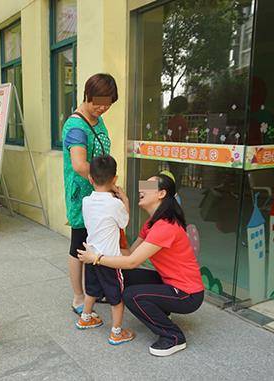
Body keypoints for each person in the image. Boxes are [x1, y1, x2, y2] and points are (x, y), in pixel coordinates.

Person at [77, 174, 204, 357]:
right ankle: (161, 309)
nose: (141, 189)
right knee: (121, 276)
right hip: (169, 282)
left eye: (148, 186)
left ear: (161, 193)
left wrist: (96, 258)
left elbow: (132, 262)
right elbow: (128, 253)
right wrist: (102, 240)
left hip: (187, 294)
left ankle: (173, 337)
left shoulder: (165, 226)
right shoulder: (151, 224)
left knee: (132, 295)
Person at [62, 73, 118, 314]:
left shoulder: (98, 118)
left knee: (98, 241)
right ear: (87, 95)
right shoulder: (76, 125)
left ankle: (96, 290)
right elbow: (79, 164)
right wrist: (109, 185)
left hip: (101, 191)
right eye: (99, 103)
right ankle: (78, 297)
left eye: (108, 104)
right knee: (79, 244)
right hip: (84, 195)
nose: (102, 108)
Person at [76, 155, 135, 345]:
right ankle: (116, 332)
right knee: (116, 297)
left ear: (90, 179)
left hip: (90, 255)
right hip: (108, 260)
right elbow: (124, 222)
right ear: (115, 179)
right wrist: (124, 199)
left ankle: (86, 318)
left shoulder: (86, 201)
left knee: (91, 289)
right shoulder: (115, 204)